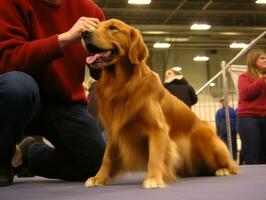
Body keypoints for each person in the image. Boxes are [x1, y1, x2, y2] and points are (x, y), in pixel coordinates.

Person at [0, 0, 106, 186]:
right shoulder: (9, 3)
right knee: (18, 86)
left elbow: (100, 71)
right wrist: (63, 40)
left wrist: (114, 61)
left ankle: (26, 155)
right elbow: (8, 60)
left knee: (95, 163)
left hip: (64, 103)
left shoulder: (90, 10)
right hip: (18, 97)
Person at [237, 49, 266, 164]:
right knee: (251, 154)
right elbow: (246, 94)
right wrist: (262, 80)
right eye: (262, 58)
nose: (265, 60)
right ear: (253, 61)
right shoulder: (244, 77)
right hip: (248, 118)